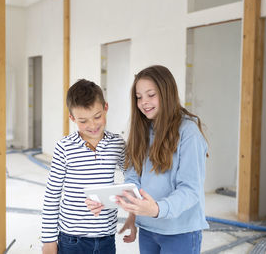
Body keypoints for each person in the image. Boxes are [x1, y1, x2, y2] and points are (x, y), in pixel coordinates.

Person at [117, 65, 209, 254]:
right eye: (139, 97)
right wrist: (133, 214)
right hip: (148, 230)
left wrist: (157, 209)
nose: (144, 102)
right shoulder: (141, 130)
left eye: (151, 95)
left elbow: (191, 190)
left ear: (167, 93)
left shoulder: (188, 133)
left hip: (180, 232)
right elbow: (133, 177)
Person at [41, 79, 125, 254]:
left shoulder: (117, 143)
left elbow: (133, 179)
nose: (92, 125)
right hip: (72, 239)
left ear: (106, 108)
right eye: (83, 121)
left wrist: (121, 201)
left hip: (106, 238)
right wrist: (48, 240)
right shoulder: (64, 147)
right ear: (72, 118)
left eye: (97, 116)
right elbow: (52, 195)